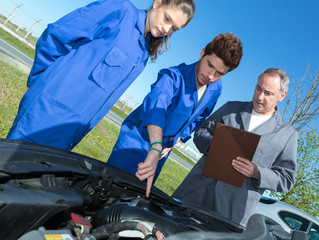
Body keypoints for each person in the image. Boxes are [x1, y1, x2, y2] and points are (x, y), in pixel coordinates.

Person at [7, 0, 195, 151]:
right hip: (45, 114)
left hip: (72, 130)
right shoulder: (119, 10)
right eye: (167, 18)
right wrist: (37, 82)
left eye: (174, 29)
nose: (166, 29)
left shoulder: (142, 55)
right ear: (157, 3)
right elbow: (57, 35)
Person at [107, 32, 243, 197]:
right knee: (111, 188)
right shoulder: (172, 77)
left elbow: (200, 117)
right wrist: (155, 146)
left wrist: (177, 139)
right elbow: (156, 109)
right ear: (202, 53)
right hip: (136, 140)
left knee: (135, 198)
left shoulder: (216, 88)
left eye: (219, 73)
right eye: (209, 65)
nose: (210, 75)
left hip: (163, 150)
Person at [172, 68, 298, 228]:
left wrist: (257, 172)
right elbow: (201, 131)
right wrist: (215, 146)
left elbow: (286, 179)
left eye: (268, 93)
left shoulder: (287, 135)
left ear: (281, 96)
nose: (260, 97)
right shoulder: (231, 108)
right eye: (258, 88)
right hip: (194, 193)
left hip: (230, 213)